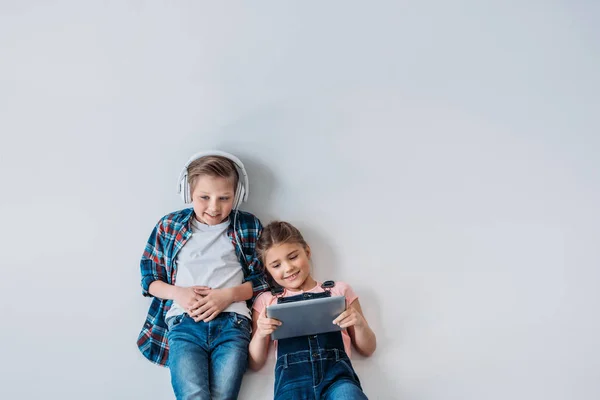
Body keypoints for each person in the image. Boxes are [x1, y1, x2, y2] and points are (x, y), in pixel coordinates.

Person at [137, 150, 267, 400]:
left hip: (233, 324)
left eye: (224, 198)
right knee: (193, 396)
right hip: (183, 324)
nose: (214, 207)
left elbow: (264, 280)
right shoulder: (169, 226)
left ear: (238, 195)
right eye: (204, 197)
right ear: (189, 194)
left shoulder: (248, 226)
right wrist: (178, 293)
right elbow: (149, 278)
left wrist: (228, 296)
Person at [249, 221, 377, 399]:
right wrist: (261, 333)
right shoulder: (266, 301)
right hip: (291, 386)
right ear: (267, 270)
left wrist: (359, 323)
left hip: (338, 381)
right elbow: (255, 363)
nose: (288, 268)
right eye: (276, 265)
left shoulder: (338, 291)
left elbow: (368, 348)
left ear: (307, 251)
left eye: (293, 257)